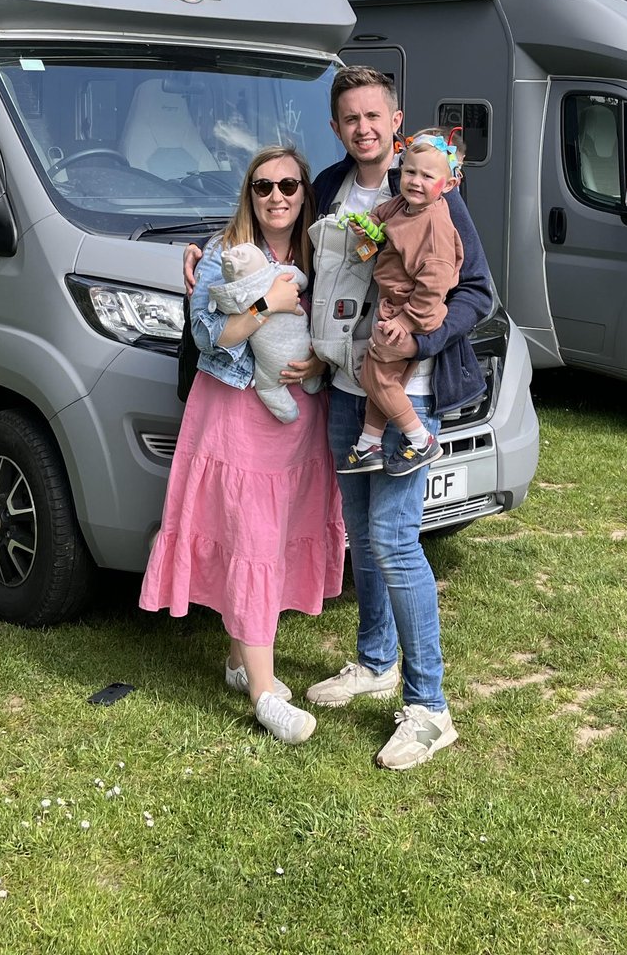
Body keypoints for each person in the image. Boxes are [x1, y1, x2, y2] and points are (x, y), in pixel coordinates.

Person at [309, 67, 491, 770]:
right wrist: (208, 258)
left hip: (405, 386)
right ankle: (374, 660)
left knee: (392, 537)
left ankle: (429, 707)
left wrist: (422, 338)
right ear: (338, 127)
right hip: (345, 388)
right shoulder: (328, 188)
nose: (363, 128)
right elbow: (292, 253)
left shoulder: (427, 186)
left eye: (374, 116)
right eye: (350, 118)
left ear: (396, 119)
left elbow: (477, 291)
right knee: (360, 532)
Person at [141, 147, 340, 745]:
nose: (276, 197)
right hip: (234, 417)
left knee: (269, 536)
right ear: (248, 194)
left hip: (298, 420)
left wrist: (320, 364)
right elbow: (210, 337)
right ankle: (262, 692)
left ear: (305, 191)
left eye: (287, 185)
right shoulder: (220, 255)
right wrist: (267, 305)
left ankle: (236, 661)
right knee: (250, 537)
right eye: (263, 187)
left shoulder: (319, 251)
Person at [344, 129, 466, 476]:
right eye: (410, 171)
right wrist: (368, 227)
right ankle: (369, 444)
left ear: (447, 185)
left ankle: (421, 440)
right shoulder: (404, 204)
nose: (416, 181)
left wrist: (407, 322)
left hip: (414, 313)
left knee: (376, 377)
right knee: (383, 377)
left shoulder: (435, 227)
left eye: (428, 176)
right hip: (393, 305)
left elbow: (433, 286)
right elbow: (383, 217)